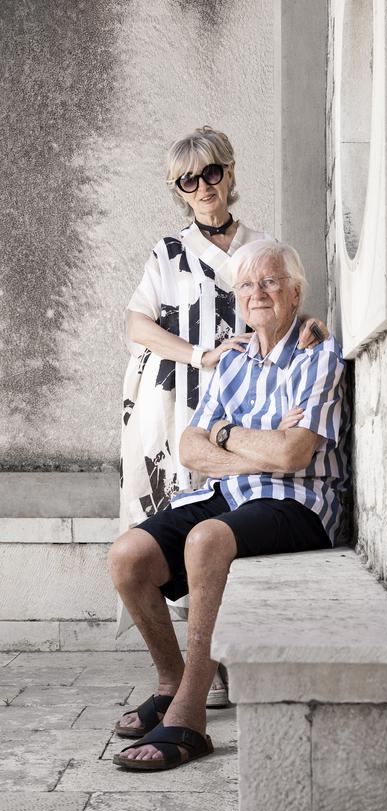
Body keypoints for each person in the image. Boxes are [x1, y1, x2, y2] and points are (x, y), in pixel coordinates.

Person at [108, 240, 347, 770]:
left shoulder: (318, 354)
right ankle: (171, 682)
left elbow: (293, 455)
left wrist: (226, 437)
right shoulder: (234, 360)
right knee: (127, 557)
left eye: (270, 282)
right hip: (229, 493)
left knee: (207, 539)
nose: (257, 293)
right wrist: (251, 443)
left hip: (299, 502)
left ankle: (190, 715)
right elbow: (190, 447)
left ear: (295, 293)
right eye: (246, 285)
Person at [119, 125, 327, 715]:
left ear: (229, 174)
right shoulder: (169, 251)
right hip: (181, 400)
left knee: (226, 523)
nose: (203, 186)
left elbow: (287, 306)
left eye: (212, 172)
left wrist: (316, 328)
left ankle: (220, 666)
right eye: (189, 180)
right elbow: (137, 324)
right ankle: (188, 677)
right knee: (178, 517)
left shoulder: (262, 245)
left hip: (247, 399)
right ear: (178, 189)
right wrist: (199, 355)